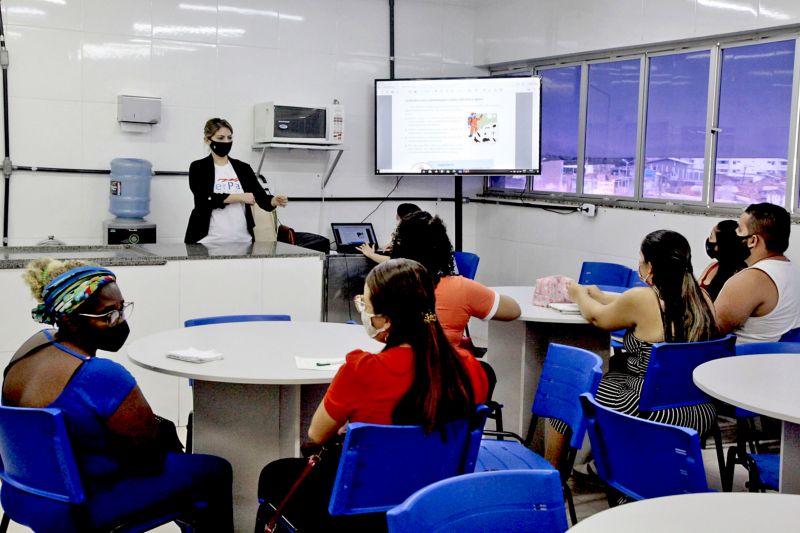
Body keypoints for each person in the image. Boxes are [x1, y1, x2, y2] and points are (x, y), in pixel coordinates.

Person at [2, 258, 233, 533]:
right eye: (108, 315)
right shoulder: (100, 375)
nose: (118, 321)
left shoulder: (30, 349)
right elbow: (149, 458)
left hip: (21, 493)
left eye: (122, 310)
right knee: (214, 470)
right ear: (68, 320)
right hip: (79, 507)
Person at [257, 259, 488, 531]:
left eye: (366, 305)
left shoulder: (362, 371)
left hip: (360, 507)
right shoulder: (470, 368)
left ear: (387, 320)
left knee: (274, 474)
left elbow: (317, 435)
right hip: (433, 501)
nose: (364, 312)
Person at [560, 230, 719, 465]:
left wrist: (578, 294)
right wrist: (601, 296)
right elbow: (637, 308)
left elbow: (597, 318)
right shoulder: (701, 297)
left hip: (646, 404)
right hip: (699, 408)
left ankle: (555, 475)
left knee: (570, 392)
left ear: (651, 267)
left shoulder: (642, 299)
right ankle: (602, 463)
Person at [389, 211, 521, 346]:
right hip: (446, 365)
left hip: (399, 364)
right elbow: (513, 310)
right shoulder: (462, 288)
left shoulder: (386, 286)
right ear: (443, 248)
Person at [184, 117, 288, 244]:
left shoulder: (243, 168)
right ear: (207, 140)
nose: (226, 142)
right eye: (221, 138)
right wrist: (239, 197)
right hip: (206, 241)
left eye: (229, 138)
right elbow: (205, 199)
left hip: (243, 240)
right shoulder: (198, 167)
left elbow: (261, 199)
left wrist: (274, 200)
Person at [715, 203, 800, 343]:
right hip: (783, 361)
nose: (734, 234)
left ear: (753, 240)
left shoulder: (750, 279)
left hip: (742, 361)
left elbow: (709, 330)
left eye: (739, 229)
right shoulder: (794, 272)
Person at [698, 219, 748, 300]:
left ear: (720, 245)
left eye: (711, 236)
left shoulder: (740, 275)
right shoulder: (712, 266)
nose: (708, 240)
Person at [356, 202, 420, 263]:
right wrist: (395, 246)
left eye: (397, 218)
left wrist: (370, 254)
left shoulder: (409, 238)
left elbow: (396, 261)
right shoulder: (418, 234)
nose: (396, 220)